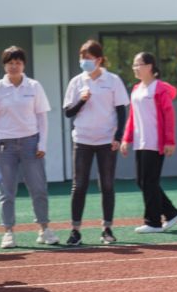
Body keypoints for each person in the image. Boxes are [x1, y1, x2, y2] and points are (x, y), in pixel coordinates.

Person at [0, 46, 58, 248]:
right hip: (4, 146)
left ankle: (44, 229)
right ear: (4, 65)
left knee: (39, 189)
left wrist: (42, 143)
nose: (14, 66)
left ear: (24, 64)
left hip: (31, 144)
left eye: (18, 62)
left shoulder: (34, 87)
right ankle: (8, 232)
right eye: (10, 62)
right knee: (6, 192)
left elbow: (42, 117)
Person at [62, 40, 129, 246]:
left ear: (99, 59)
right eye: (82, 58)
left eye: (88, 58)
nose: (84, 62)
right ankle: (75, 231)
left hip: (106, 141)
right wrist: (82, 100)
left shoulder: (113, 80)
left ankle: (107, 229)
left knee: (107, 185)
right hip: (82, 140)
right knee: (79, 185)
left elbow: (121, 111)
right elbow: (68, 112)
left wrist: (118, 137)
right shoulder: (76, 82)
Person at [121, 52, 177, 233]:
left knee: (149, 181)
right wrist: (126, 138)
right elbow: (132, 117)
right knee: (143, 181)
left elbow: (169, 116)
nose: (135, 68)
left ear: (150, 66)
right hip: (140, 143)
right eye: (133, 65)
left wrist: (169, 141)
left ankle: (153, 222)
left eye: (138, 64)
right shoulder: (136, 89)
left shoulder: (159, 88)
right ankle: (171, 213)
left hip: (155, 142)